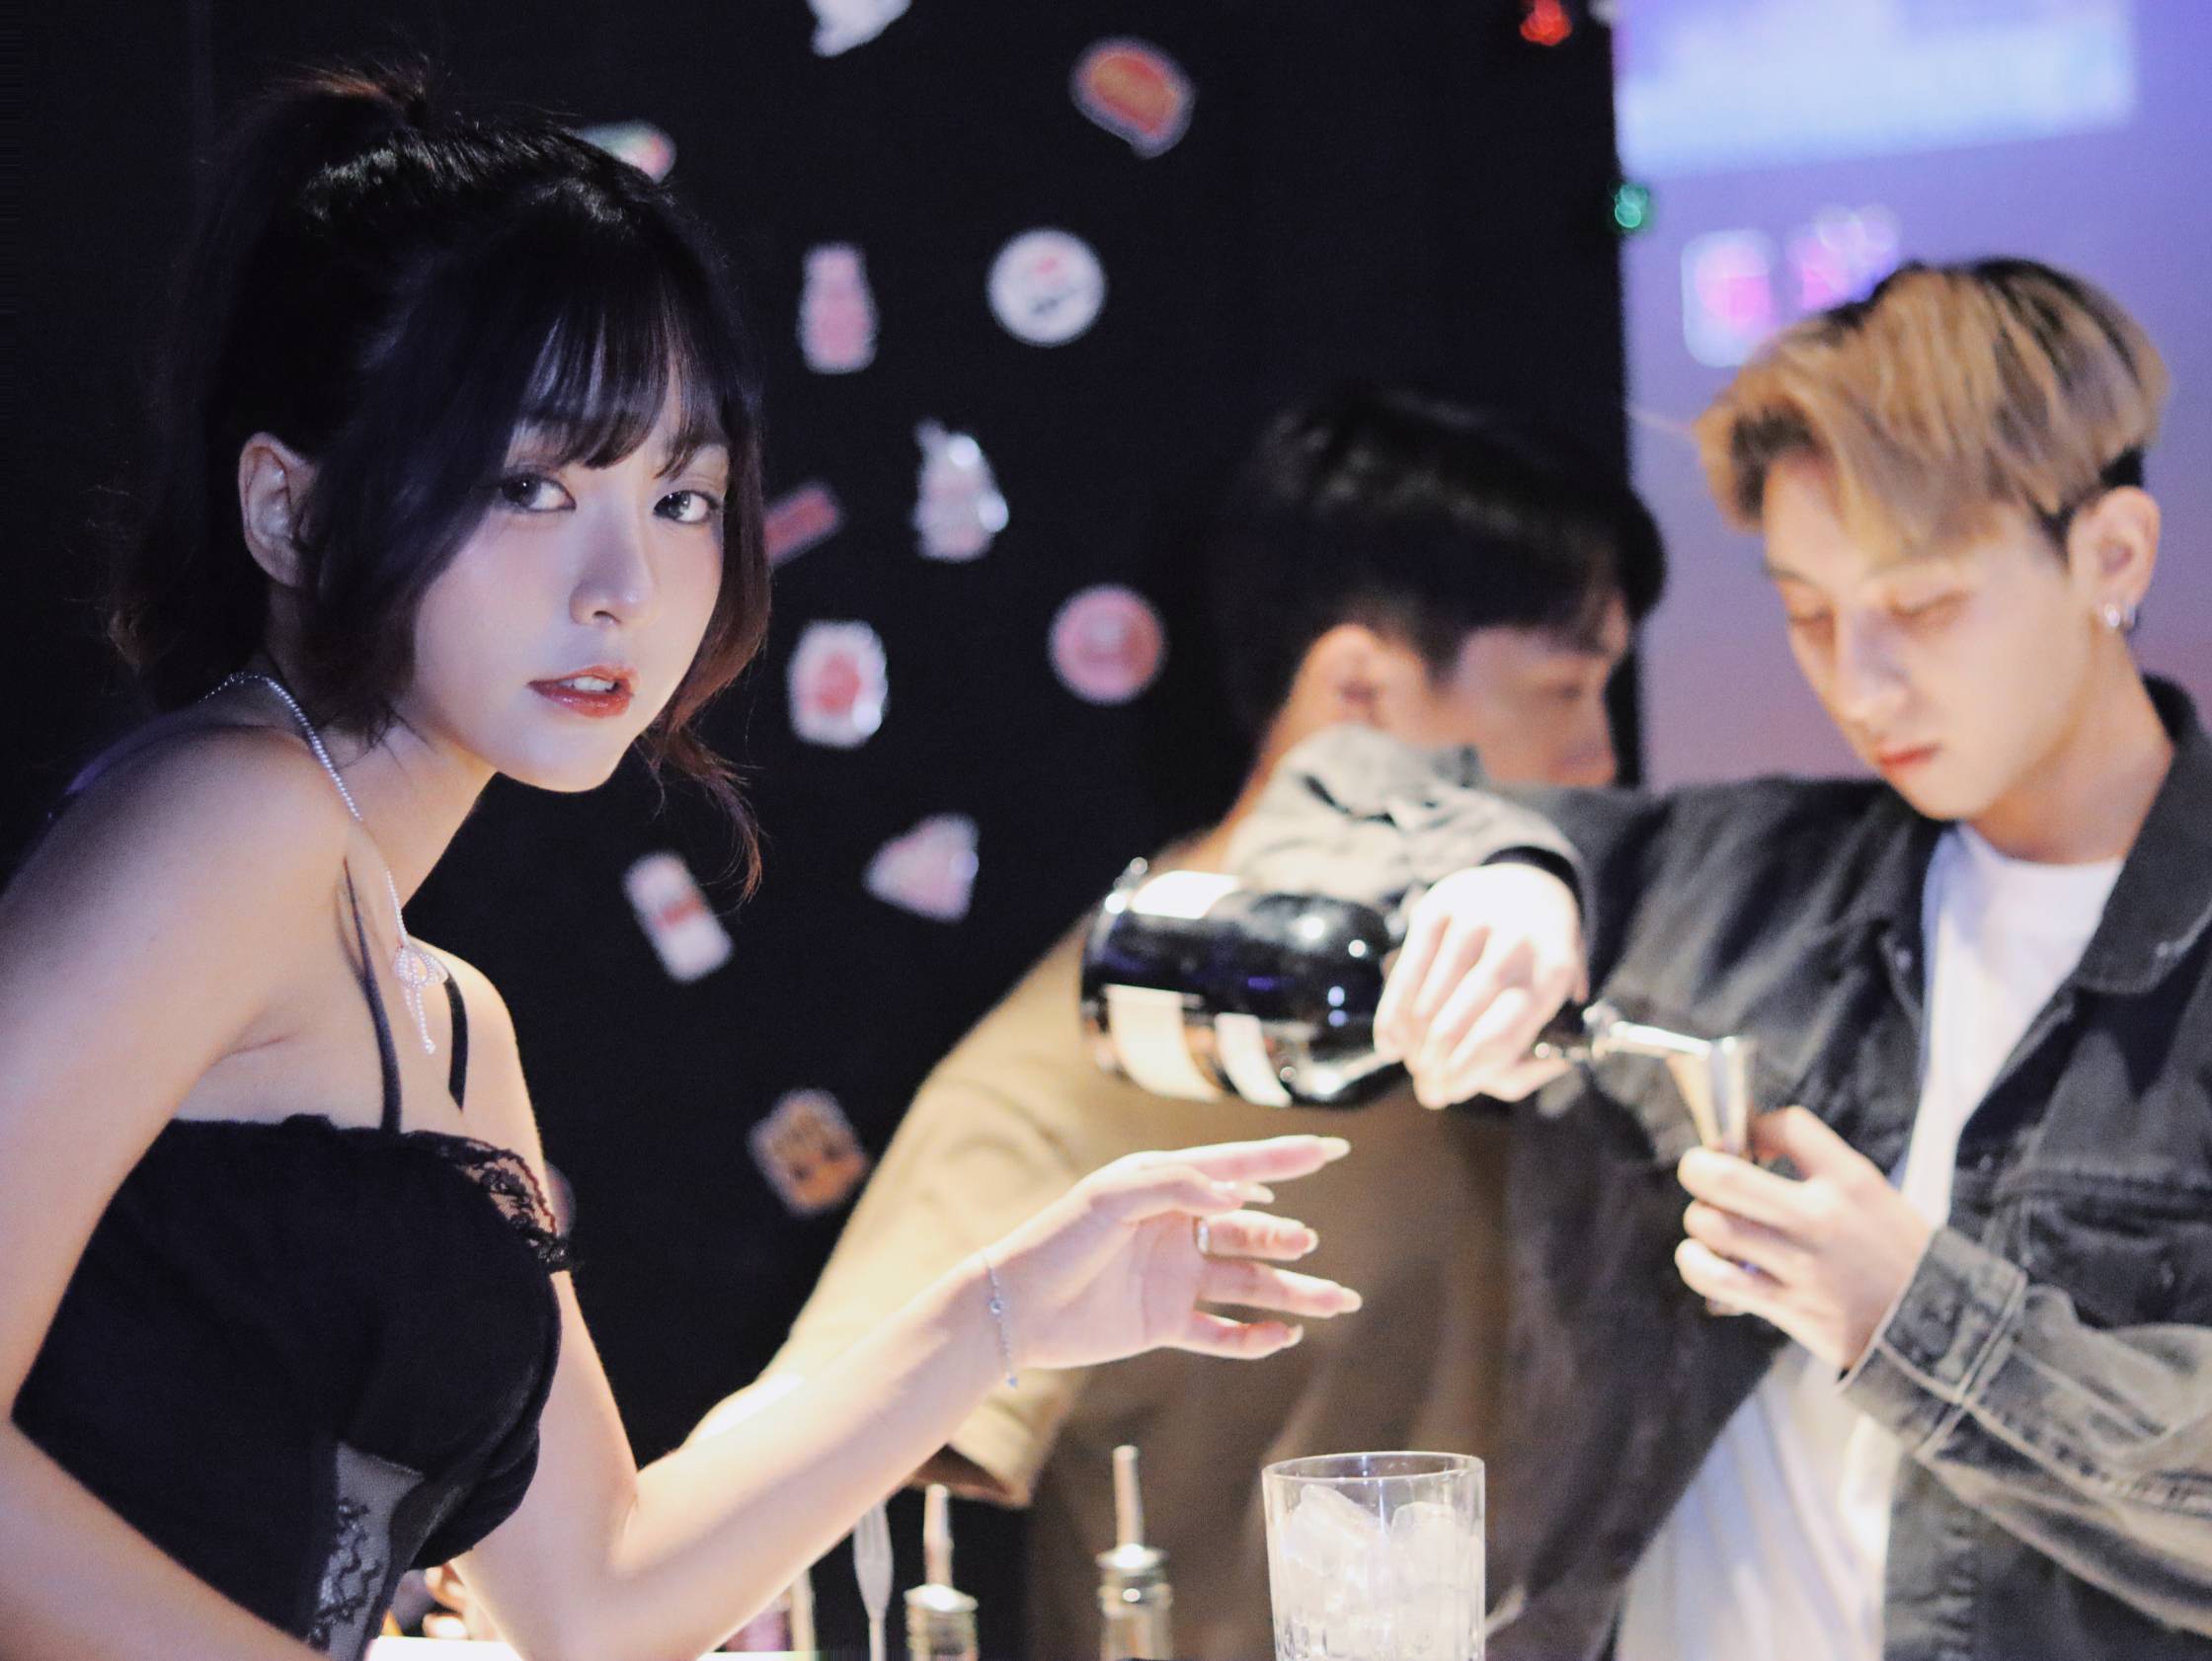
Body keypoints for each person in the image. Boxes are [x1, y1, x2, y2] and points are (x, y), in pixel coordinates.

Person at [0, 68, 1371, 1661]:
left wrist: (1003, 1306)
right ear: (288, 509)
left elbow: (603, 1595)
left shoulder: (446, 1021)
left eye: (681, 495)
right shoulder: (231, 814)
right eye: (529, 485)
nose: (624, 583)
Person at [1248, 259, 2212, 1659]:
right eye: (1809, 612)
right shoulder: (1743, 878)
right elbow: (1309, 803)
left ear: (2112, 556)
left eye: (1924, 607)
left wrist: (1919, 1323)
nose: (1859, 684)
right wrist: (1505, 872)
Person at [707, 385, 1664, 1658]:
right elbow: (782, 1460)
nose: (1601, 758)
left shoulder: (1600, 964)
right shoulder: (1077, 1063)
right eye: (1564, 688)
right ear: (1360, 690)